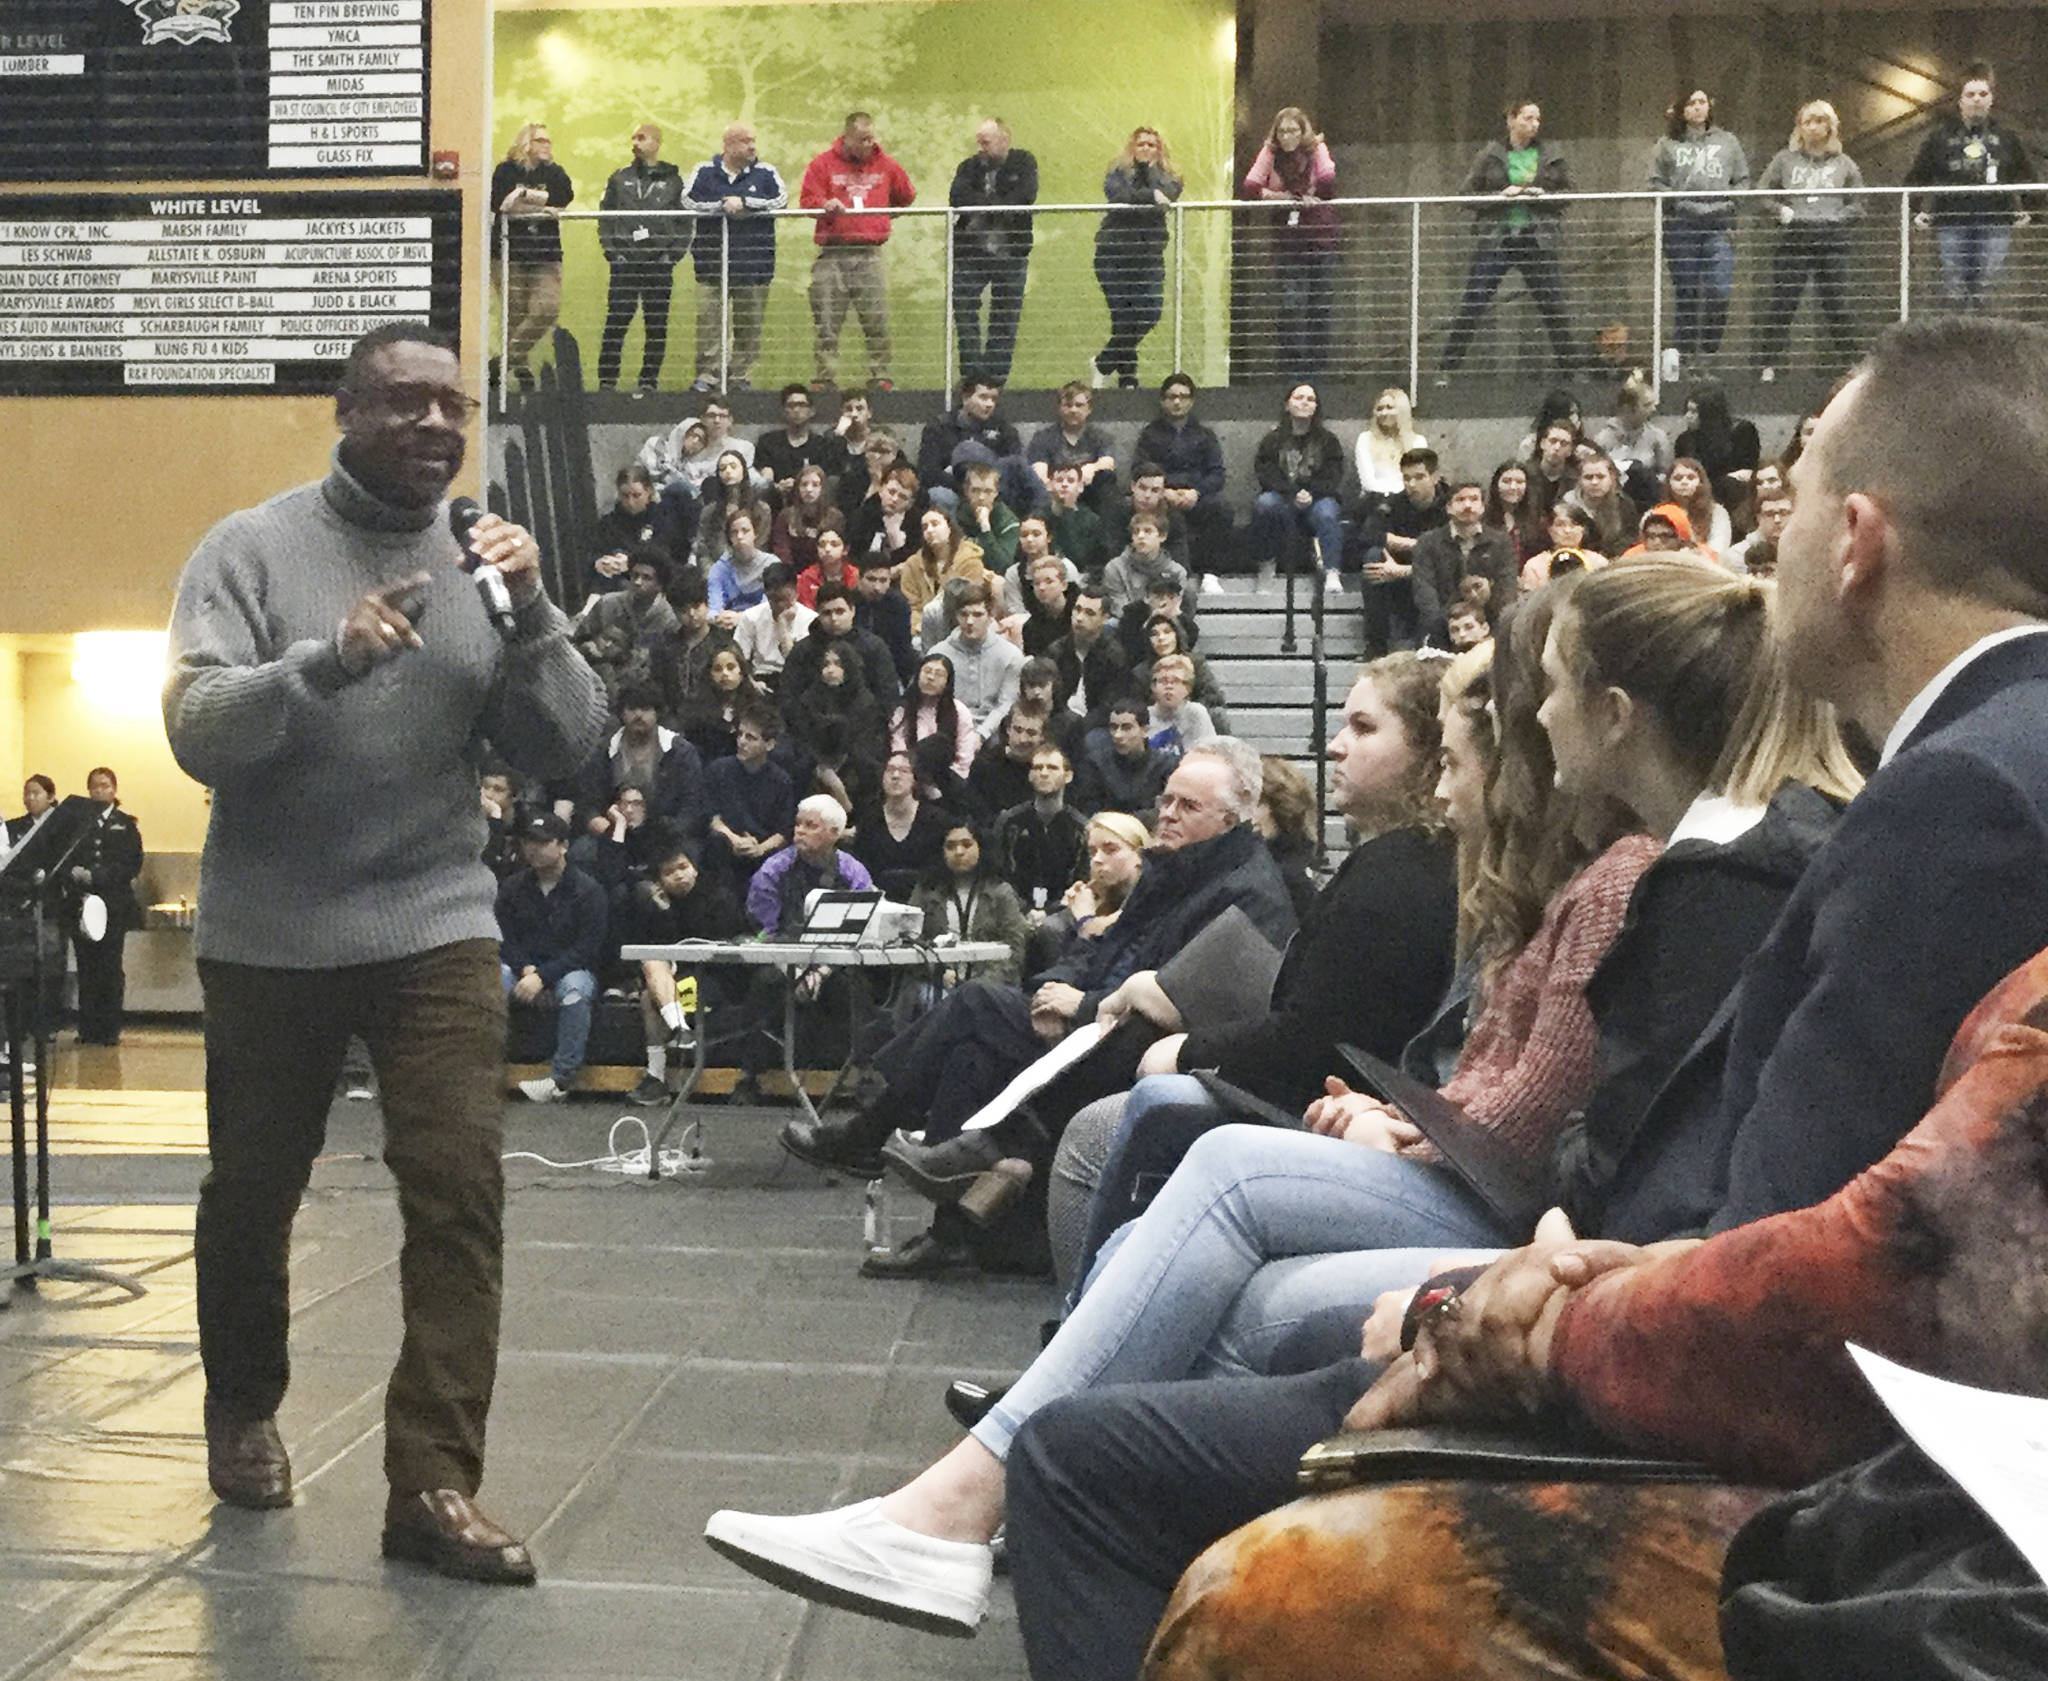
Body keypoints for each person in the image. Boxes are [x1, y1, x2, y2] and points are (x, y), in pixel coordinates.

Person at [1004, 318, 2048, 1680]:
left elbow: (1801, 1276)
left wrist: (1533, 1316)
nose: (1761, 552)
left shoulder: (1962, 797)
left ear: (1856, 541)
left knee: (1094, 1469)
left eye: (1785, 510)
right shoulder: (1983, 761)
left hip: (1851, 1493)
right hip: (1788, 1356)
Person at [162, 321, 605, 1580]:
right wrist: (324, 664)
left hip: (434, 922)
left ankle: (432, 1484)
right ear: (345, 411)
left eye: (454, 408)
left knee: (459, 1189)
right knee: (253, 1193)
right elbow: (197, 726)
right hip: (272, 933)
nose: (436, 427)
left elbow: (568, 744)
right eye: (406, 403)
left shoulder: (486, 557)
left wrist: (532, 621)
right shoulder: (249, 548)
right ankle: (243, 1405)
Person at [771, 742, 1296, 1253]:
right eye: (1166, 800)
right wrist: (1052, 992)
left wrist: (1083, 1006)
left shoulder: (1245, 891)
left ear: (1233, 818)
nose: (1168, 814)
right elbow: (1102, 948)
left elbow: (1183, 1001)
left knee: (976, 1003)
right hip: (1094, 1015)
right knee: (973, 1046)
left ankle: (873, 1133)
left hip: (1130, 1046)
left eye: (1188, 806)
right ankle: (955, 1233)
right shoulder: (1178, 867)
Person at [1045, 654, 1459, 1285]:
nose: (1338, 747)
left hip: (1343, 1112)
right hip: (1339, 1097)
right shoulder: (1394, 863)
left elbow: (1318, 1042)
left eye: (1364, 728)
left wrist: (1189, 1049)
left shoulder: (1399, 874)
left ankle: (1078, 1331)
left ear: (1431, 755)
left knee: (1105, 1127)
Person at [1440, 99, 1578, 377]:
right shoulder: (1490, 155)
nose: (1534, 124)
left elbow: (1569, 194)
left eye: (1537, 119)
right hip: (1497, 238)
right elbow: (1466, 195)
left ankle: (1572, 370)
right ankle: (1446, 370)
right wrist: (1499, 196)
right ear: (1511, 120)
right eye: (1527, 118)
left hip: (1536, 238)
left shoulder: (1550, 154)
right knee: (1474, 301)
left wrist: (1544, 196)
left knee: (1553, 304)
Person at [621, 836, 747, 1105]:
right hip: (675, 982)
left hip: (714, 981)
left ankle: (656, 1077)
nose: (679, 876)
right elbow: (654, 949)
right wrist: (662, 912)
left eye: (682, 867)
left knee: (649, 996)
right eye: (669, 872)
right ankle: (679, 1033)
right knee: (651, 973)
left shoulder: (719, 896)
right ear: (660, 881)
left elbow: (719, 947)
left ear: (695, 868)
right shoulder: (659, 906)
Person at [800, 112, 916, 392]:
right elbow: (807, 200)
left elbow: (907, 195)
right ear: (847, 138)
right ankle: (825, 377)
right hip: (833, 253)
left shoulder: (886, 165)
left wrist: (883, 220)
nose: (869, 144)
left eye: (871, 137)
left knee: (876, 319)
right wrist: (825, 204)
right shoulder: (822, 164)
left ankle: (880, 375)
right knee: (826, 320)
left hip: (869, 253)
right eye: (863, 139)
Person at [496, 811, 607, 1105]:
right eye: (529, 842)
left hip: (568, 969)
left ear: (563, 846)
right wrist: (526, 970)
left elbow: (587, 949)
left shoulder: (588, 891)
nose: (534, 848)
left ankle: (560, 1080)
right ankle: (482, 1070)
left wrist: (544, 976)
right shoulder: (512, 887)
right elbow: (502, 937)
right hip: (523, 968)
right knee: (491, 979)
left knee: (575, 990)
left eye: (543, 842)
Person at [1906, 62, 2036, 311]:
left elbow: (2026, 173)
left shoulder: (2008, 138)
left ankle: (1983, 346)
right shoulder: (1939, 138)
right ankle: (1956, 345)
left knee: (1988, 288)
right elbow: (1918, 175)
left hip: (1996, 221)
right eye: (1970, 94)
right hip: (1951, 222)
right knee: (1954, 288)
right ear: (1960, 100)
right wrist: (1916, 210)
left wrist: (2032, 209)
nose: (1977, 99)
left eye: (1983, 94)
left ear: (1991, 99)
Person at [1756, 99, 1866, 383]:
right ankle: (1767, 363)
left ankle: (1852, 364)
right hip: (1795, 238)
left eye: (1819, 121)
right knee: (1783, 303)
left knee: (1838, 305)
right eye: (1807, 121)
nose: (1813, 127)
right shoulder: (1784, 159)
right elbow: (1761, 193)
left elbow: (1859, 203)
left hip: (1833, 241)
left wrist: (1839, 217)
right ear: (1799, 127)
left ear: (1830, 126)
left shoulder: (1844, 163)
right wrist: (1782, 211)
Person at [1649, 89, 1749, 381]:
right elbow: (1654, 184)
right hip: (1681, 227)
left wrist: (1728, 203)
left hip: (1720, 225)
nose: (1697, 107)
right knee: (1688, 292)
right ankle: (1688, 359)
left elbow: (1743, 181)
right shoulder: (1666, 145)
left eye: (1702, 102)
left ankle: (1708, 353)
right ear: (1681, 110)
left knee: (1719, 290)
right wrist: (1681, 201)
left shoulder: (1728, 141)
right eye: (1691, 103)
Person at [683, 122, 786, 392]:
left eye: (753, 140)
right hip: (711, 263)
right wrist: (721, 206)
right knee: (709, 321)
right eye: (744, 141)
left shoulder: (766, 173)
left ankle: (740, 376)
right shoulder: (703, 172)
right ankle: (708, 375)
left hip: (754, 263)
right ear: (728, 145)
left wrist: (746, 203)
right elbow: (688, 201)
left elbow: (781, 201)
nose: (752, 146)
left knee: (749, 322)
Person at [1241, 107, 1338, 378]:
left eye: (1293, 130)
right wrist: (1280, 197)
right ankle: (1293, 368)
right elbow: (1250, 187)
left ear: (1303, 130)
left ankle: (1316, 371)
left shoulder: (1316, 148)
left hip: (1320, 237)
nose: (1287, 136)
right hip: (1288, 241)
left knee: (1319, 305)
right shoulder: (1270, 152)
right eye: (1282, 131)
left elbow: (1328, 181)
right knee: (1291, 304)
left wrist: (1310, 194)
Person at [595, 121, 689, 392]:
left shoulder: (673, 181)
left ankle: (648, 381)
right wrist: (612, 252)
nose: (635, 143)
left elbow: (686, 222)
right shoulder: (619, 178)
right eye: (633, 137)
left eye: (642, 137)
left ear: (656, 143)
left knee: (656, 325)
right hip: (625, 262)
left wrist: (672, 256)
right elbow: (604, 217)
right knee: (617, 321)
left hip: (659, 264)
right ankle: (607, 381)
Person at [949, 118, 1038, 385]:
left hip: (1011, 251)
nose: (980, 149)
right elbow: (957, 197)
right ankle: (973, 375)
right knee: (964, 311)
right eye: (978, 142)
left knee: (1005, 316)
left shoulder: (1023, 161)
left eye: (985, 143)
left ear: (1004, 140)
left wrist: (984, 207)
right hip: (971, 253)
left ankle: (995, 379)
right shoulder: (968, 167)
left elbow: (1025, 195)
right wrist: (997, 206)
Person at [1093, 127, 1183, 389]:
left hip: (1148, 257)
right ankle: (1128, 379)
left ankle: (1104, 362)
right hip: (1114, 254)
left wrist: (1149, 177)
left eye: (1152, 145)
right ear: (1132, 148)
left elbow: (1169, 194)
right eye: (1141, 144)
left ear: (1160, 150)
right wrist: (1150, 196)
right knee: (1122, 319)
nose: (1146, 148)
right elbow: (1118, 195)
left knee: (1150, 312)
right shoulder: (1117, 173)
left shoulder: (1170, 176)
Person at [490, 121, 574, 393]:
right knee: (514, 313)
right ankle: (519, 368)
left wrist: (525, 195)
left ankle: (503, 363)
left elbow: (564, 196)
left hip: (546, 254)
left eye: (548, 140)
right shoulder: (506, 170)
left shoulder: (555, 172)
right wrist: (542, 207)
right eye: (540, 140)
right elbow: (501, 205)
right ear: (525, 143)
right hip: (509, 252)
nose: (547, 145)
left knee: (546, 310)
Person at [66, 767, 143, 1046]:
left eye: (105, 786)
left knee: (109, 966)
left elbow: (132, 864)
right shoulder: (76, 824)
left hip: (113, 905)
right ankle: (87, 1028)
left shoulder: (125, 823)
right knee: (87, 966)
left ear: (114, 789)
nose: (99, 791)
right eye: (94, 786)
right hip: (82, 904)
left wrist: (97, 876)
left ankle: (109, 1030)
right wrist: (76, 874)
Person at [1248, 382, 1346, 591]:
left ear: (1316, 408)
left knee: (1328, 513)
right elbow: (1265, 473)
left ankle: (1332, 572)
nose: (1304, 402)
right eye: (1299, 397)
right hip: (1283, 497)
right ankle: (1266, 565)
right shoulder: (1272, 439)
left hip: (1318, 498)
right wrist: (1292, 493)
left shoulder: (1329, 441)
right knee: (1264, 504)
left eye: (1310, 399)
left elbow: (1333, 474)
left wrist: (1312, 493)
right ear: (1287, 405)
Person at [1135, 375, 1233, 580]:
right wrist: (1164, 492)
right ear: (1163, 401)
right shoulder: (1149, 434)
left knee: (1222, 508)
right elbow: (1139, 469)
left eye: (1183, 396)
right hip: (1161, 497)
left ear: (1192, 400)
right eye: (1171, 397)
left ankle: (1211, 575)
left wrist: (1195, 493)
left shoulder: (1205, 435)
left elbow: (1217, 473)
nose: (1177, 402)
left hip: (1196, 497)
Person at [911, 820, 1031, 987]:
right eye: (950, 846)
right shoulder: (925, 892)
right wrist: (937, 971)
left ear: (981, 848)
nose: (959, 852)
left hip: (990, 987)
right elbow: (911, 942)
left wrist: (979, 985)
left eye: (967, 845)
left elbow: (1016, 949)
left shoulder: (1001, 892)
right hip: (936, 985)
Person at [1409, 478, 1519, 647]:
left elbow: (1507, 591)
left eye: (1474, 499)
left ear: (1483, 507)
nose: (1468, 505)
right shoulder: (1427, 543)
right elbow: (1425, 593)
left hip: (1489, 628)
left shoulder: (1501, 542)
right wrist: (1449, 627)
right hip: (1441, 630)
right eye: (1460, 500)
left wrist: (1488, 598)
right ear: (1448, 507)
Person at [744, 795, 874, 935]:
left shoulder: (854, 872)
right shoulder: (772, 871)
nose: (800, 831)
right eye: (798, 824)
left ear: (834, 833)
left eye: (811, 825)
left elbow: (865, 924)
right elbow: (765, 932)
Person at [702, 705, 796, 888]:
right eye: (740, 735)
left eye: (751, 738)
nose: (741, 742)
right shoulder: (718, 769)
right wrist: (734, 839)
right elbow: (711, 817)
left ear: (769, 744)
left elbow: (783, 832)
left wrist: (760, 849)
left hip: (764, 851)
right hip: (725, 846)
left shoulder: (781, 780)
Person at [993, 745, 1090, 920]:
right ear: (1030, 775)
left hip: (1065, 914)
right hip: (1013, 913)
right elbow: (999, 874)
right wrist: (1024, 910)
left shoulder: (1082, 827)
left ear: (1068, 776)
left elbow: (1083, 881)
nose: (1044, 773)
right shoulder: (1009, 822)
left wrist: (1050, 912)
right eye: (1038, 768)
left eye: (1052, 768)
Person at [573, 545, 676, 701]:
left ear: (660, 585)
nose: (638, 582)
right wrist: (589, 647)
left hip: (646, 695)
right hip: (598, 688)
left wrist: (619, 654)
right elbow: (578, 641)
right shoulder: (607, 603)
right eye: (634, 575)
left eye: (647, 578)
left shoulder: (669, 619)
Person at [850, 750, 952, 900]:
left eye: (904, 771)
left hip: (927, 901)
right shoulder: (868, 819)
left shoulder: (936, 820)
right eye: (890, 770)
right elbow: (862, 868)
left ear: (915, 778)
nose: (895, 776)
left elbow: (940, 870)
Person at [917, 378, 1028, 514]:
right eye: (983, 397)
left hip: (992, 493)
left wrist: (986, 488)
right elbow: (929, 471)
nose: (989, 404)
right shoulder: (939, 427)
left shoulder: (1005, 430)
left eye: (993, 399)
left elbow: (1014, 468)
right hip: (953, 492)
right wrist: (967, 488)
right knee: (939, 495)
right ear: (965, 397)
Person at [936, 583, 1025, 742]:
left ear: (990, 617)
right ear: (956, 616)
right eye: (964, 614)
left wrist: (981, 735)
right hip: (948, 731)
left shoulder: (1010, 655)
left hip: (996, 733)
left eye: (977, 615)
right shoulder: (939, 654)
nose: (970, 621)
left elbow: (1007, 703)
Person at [650, 567, 737, 723]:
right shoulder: (665, 646)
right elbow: (657, 688)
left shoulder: (723, 644)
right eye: (683, 610)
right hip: (671, 723)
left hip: (713, 723)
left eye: (696, 607)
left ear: (707, 604)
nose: (691, 615)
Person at [591, 464, 689, 592]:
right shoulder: (608, 523)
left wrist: (630, 562)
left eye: (637, 495)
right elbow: (594, 552)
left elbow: (667, 557)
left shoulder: (664, 518)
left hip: (654, 583)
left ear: (649, 492)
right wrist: (601, 564)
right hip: (613, 583)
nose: (630, 502)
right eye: (625, 496)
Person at [890, 653, 980, 785]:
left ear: (948, 681)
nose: (930, 677)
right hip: (910, 777)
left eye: (939, 674)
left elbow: (964, 758)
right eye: (927, 671)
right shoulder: (902, 709)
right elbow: (898, 750)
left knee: (939, 744)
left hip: (948, 780)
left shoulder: (959, 711)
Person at [1027, 383, 1118, 513]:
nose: (1073, 410)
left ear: (1089, 409)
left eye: (1079, 405)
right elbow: (1039, 470)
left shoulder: (1101, 436)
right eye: (1068, 405)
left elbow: (1108, 462)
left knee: (1107, 481)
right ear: (1059, 408)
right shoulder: (1043, 437)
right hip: (1056, 492)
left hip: (1090, 492)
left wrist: (1091, 468)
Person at [1049, 583, 1128, 728]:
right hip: (1059, 721)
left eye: (1089, 613)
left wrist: (1081, 726)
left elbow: (1110, 705)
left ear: (1105, 618)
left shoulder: (1114, 656)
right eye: (1077, 610)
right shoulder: (1056, 651)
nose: (1079, 618)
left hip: (1098, 726)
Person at [1593, 369, 1675, 508]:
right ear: (1628, 408)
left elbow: (1666, 475)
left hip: (1649, 501)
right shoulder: (1603, 439)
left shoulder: (1658, 437)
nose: (1654, 409)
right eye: (1647, 405)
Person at [730, 562, 814, 690]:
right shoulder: (751, 616)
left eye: (785, 599)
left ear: (796, 592)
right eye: (774, 600)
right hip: (761, 678)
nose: (780, 605)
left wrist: (783, 627)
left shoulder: (811, 619)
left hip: (796, 681)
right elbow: (739, 659)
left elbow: (797, 665)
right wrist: (751, 683)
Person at [756, 385, 842, 503]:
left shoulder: (823, 446)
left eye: (802, 405)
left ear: (812, 411)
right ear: (783, 411)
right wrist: (777, 487)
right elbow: (764, 480)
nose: (796, 410)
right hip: (777, 504)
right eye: (791, 405)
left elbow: (829, 483)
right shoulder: (768, 443)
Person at [690, 448, 774, 569]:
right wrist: (712, 575)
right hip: (716, 573)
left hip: (751, 572)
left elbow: (761, 546)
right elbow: (703, 550)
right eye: (722, 468)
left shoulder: (761, 509)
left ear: (744, 471)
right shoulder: (709, 511)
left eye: (733, 466)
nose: (728, 471)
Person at [768, 463, 844, 580]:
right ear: (797, 488)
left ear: (822, 488)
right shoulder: (786, 515)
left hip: (822, 575)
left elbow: (834, 551)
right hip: (791, 574)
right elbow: (781, 548)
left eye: (815, 485)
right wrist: (791, 574)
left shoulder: (835, 518)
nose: (809, 489)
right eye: (804, 485)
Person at [1352, 387, 1427, 505]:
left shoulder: (1418, 442)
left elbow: (1416, 479)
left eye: (1390, 407)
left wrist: (1397, 494)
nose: (1384, 413)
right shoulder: (1365, 439)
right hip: (1375, 501)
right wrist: (1391, 494)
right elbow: (1367, 482)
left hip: (1408, 501)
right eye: (1379, 409)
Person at [853, 552, 917, 688]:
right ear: (859, 579)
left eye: (883, 581)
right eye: (871, 579)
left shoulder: (899, 604)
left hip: (888, 670)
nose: (877, 587)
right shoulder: (848, 603)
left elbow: (902, 648)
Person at [1568, 451, 1638, 555]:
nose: (1594, 482)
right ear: (1580, 479)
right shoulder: (1567, 505)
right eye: (1588, 477)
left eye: (1600, 477)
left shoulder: (1624, 504)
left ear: (1611, 477)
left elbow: (1630, 538)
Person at [706, 511, 772, 618]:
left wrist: (741, 618)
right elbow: (713, 608)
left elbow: (771, 607)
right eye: (734, 532)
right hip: (728, 625)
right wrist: (719, 617)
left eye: (745, 531)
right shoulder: (719, 569)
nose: (740, 536)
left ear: (755, 534)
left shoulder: (770, 564)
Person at [1482, 459, 1545, 565]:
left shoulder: (1536, 518)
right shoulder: (1483, 517)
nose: (1513, 487)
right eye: (1506, 481)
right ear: (1496, 484)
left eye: (1519, 482)